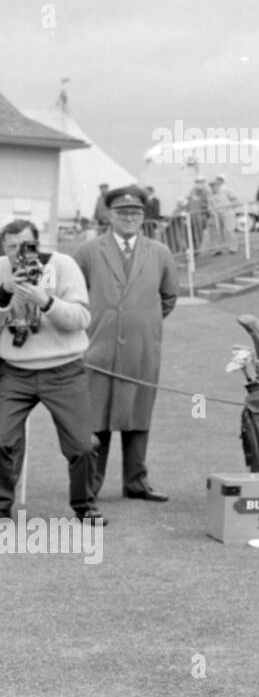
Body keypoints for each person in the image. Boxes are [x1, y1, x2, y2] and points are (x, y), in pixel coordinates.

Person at [74, 185, 180, 504]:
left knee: (138, 414)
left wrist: (141, 322)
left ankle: (136, 481)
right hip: (98, 348)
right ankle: (90, 483)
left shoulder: (160, 252)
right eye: (122, 213)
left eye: (135, 213)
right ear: (110, 215)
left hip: (141, 349)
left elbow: (169, 297)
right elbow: (73, 294)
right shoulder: (89, 251)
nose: (129, 218)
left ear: (143, 217)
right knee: (97, 416)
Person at [0, 219, 102, 523]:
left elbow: (81, 318)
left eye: (26, 245)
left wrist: (46, 302)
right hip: (15, 370)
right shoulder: (1, 269)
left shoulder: (63, 265)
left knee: (83, 446)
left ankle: (85, 506)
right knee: (2, 440)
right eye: (12, 246)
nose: (20, 253)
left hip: (63, 369)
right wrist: (5, 294)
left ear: (38, 243)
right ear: (3, 247)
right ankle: (2, 507)